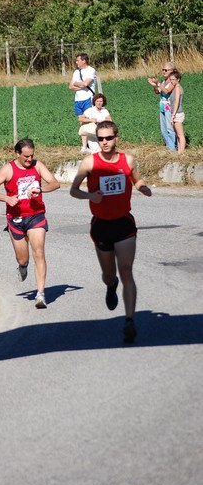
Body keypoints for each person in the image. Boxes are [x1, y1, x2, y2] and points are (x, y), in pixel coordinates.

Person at [70, 121, 152, 343]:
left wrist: (142, 187)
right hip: (101, 226)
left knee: (126, 270)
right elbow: (73, 190)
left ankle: (129, 321)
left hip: (124, 223)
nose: (104, 142)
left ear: (116, 138)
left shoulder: (128, 160)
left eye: (108, 138)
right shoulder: (89, 162)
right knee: (109, 275)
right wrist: (90, 196)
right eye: (100, 139)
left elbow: (137, 179)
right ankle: (111, 285)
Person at [0, 138, 60, 309]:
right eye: (26, 156)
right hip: (16, 219)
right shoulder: (8, 169)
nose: (29, 159)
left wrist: (41, 189)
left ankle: (40, 294)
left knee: (39, 252)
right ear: (17, 154)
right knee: (23, 257)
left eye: (31, 156)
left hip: (36, 215)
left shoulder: (37, 165)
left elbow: (55, 183)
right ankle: (22, 266)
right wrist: (6, 198)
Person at [69, 53, 96, 154]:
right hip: (78, 99)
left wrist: (76, 83)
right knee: (81, 121)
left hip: (88, 98)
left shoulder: (91, 70)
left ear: (83, 61)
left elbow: (86, 83)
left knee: (88, 120)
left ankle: (92, 144)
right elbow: (70, 87)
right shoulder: (76, 72)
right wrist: (80, 85)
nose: (76, 62)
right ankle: (85, 146)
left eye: (77, 60)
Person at [147, 62, 177, 151]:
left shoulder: (172, 82)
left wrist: (159, 83)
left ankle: (172, 148)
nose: (164, 72)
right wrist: (155, 85)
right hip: (162, 107)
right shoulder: (164, 81)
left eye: (166, 70)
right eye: (163, 70)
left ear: (172, 71)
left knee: (170, 128)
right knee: (163, 128)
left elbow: (167, 91)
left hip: (169, 108)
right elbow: (158, 91)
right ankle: (168, 146)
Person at [167, 70, 186, 154]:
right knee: (177, 135)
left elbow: (177, 102)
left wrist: (173, 114)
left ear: (178, 79)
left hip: (177, 113)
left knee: (180, 134)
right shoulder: (175, 88)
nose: (171, 81)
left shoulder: (178, 88)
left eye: (173, 79)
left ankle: (182, 152)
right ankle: (179, 151)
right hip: (175, 113)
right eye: (170, 79)